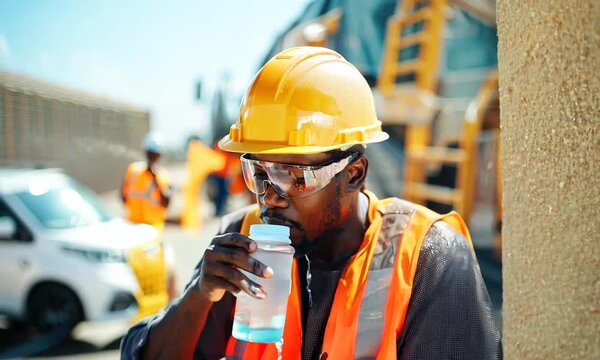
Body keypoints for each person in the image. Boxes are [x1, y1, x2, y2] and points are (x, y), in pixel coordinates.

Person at [121, 47, 501, 359]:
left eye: (292, 175)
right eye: (258, 173)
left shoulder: (429, 258)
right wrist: (200, 295)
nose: (269, 196)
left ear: (353, 174)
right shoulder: (240, 236)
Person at [121, 132, 172, 232]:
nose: (151, 157)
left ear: (159, 155)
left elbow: (166, 202)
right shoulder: (133, 170)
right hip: (133, 225)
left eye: (154, 154)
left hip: (153, 227)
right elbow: (123, 196)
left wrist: (154, 176)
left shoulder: (163, 176)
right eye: (150, 153)